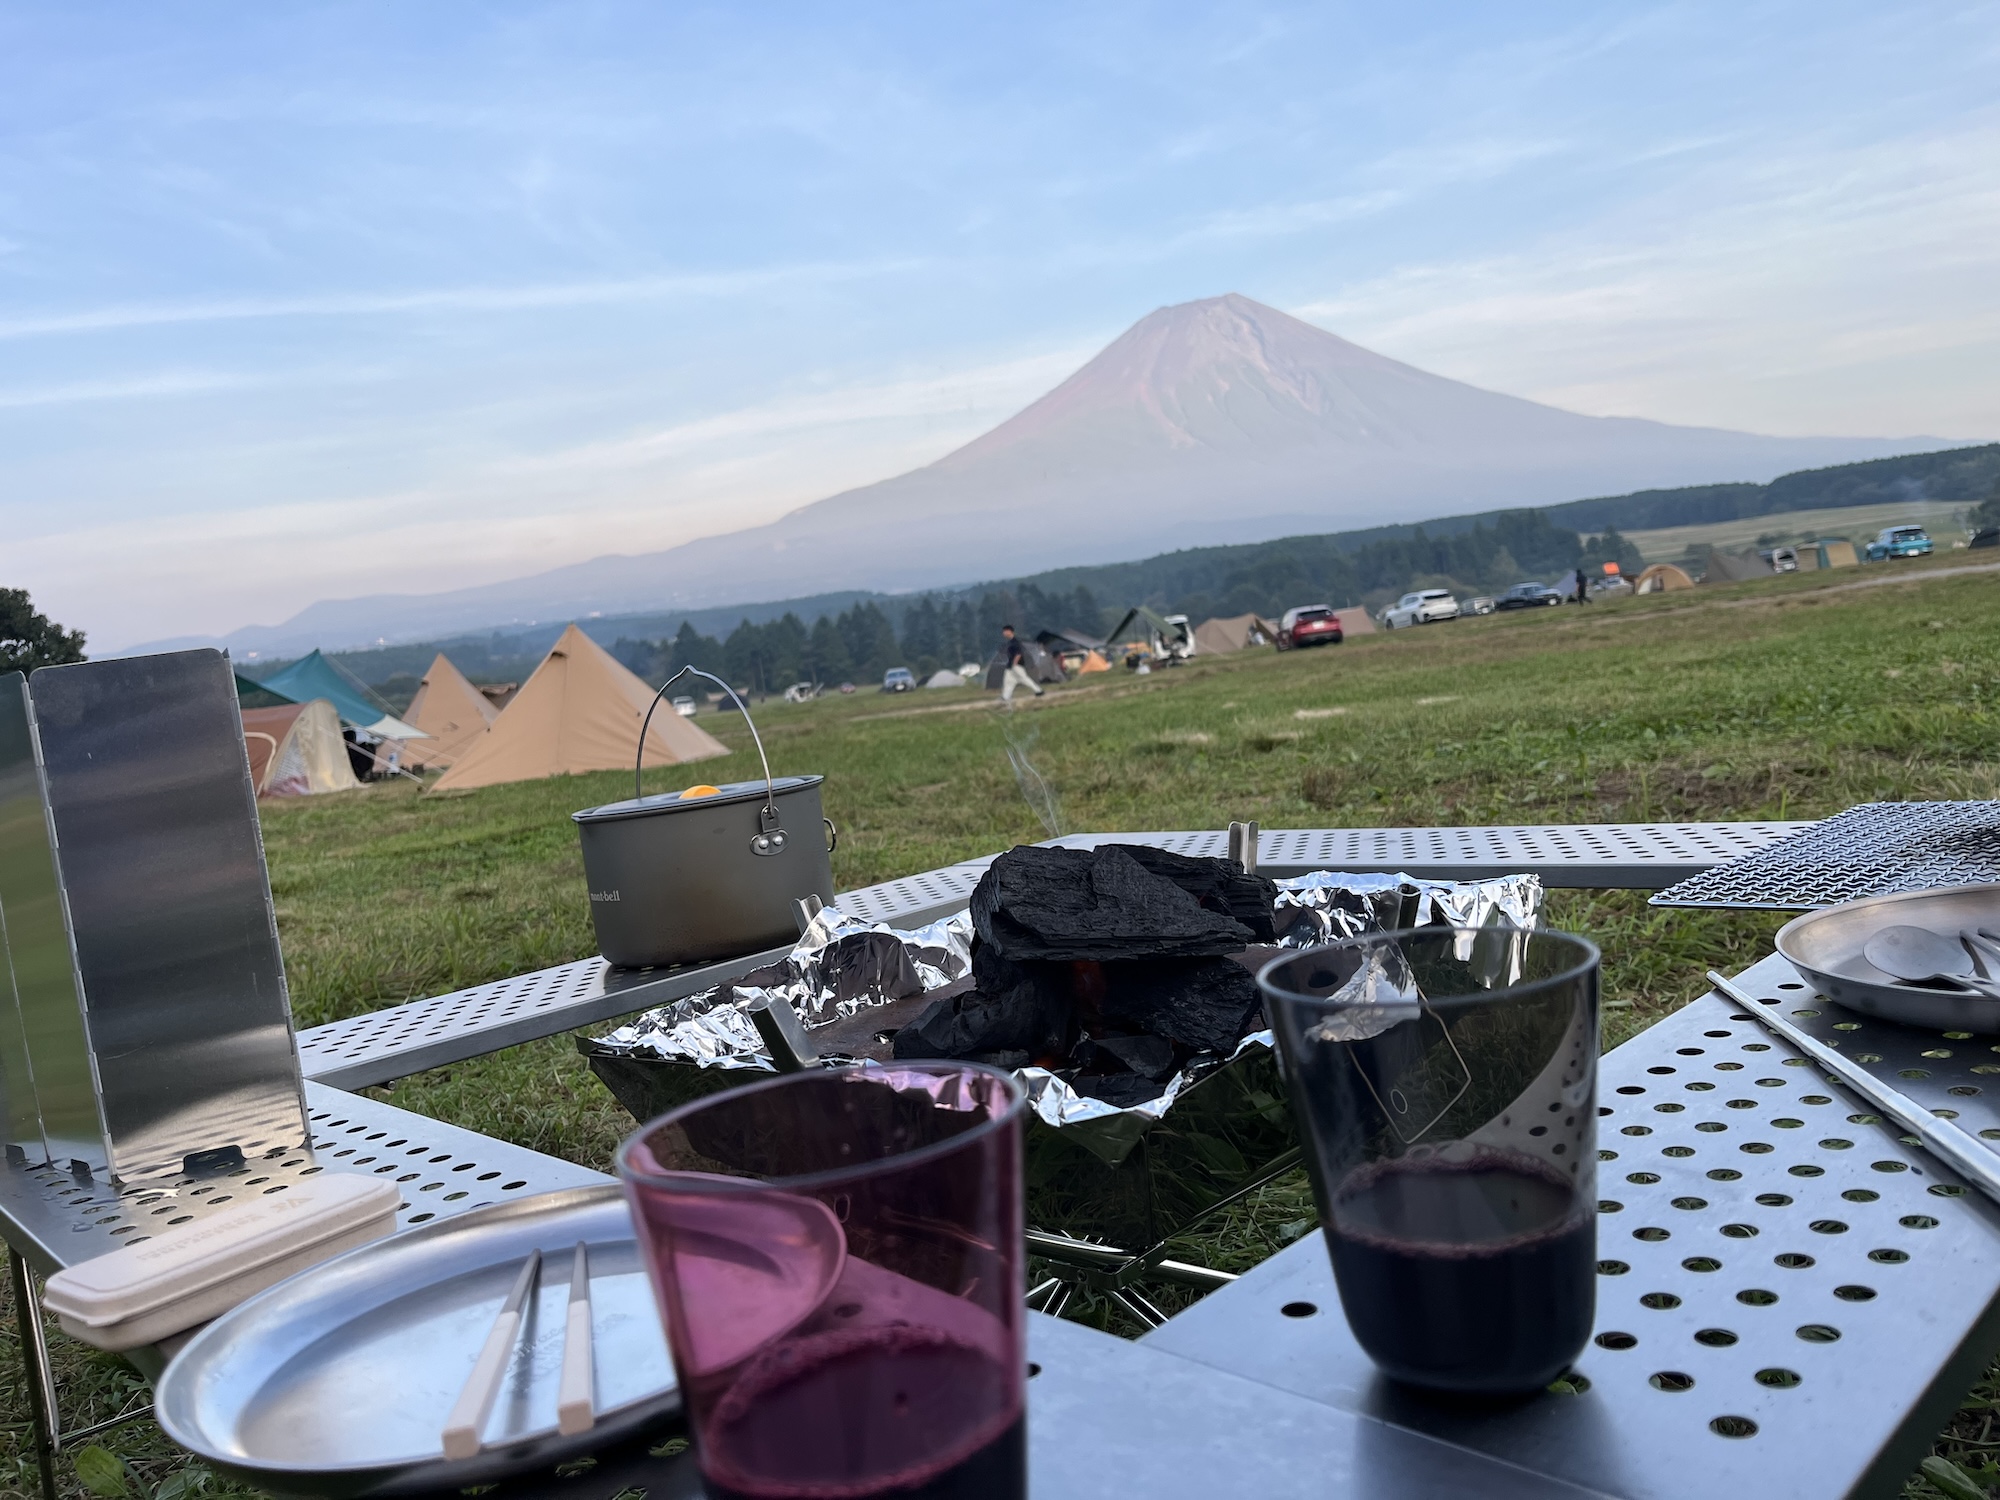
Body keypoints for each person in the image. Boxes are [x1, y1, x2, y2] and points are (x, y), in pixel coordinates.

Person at [998, 624, 1044, 703]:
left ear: (1009, 631)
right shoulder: (1010, 642)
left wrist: (1014, 664)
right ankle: (1005, 697)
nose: (1003, 633)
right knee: (1009, 681)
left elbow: (1018, 654)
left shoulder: (1015, 642)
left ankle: (1038, 691)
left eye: (1005, 631)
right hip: (1010, 666)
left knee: (1024, 679)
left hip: (1016, 665)